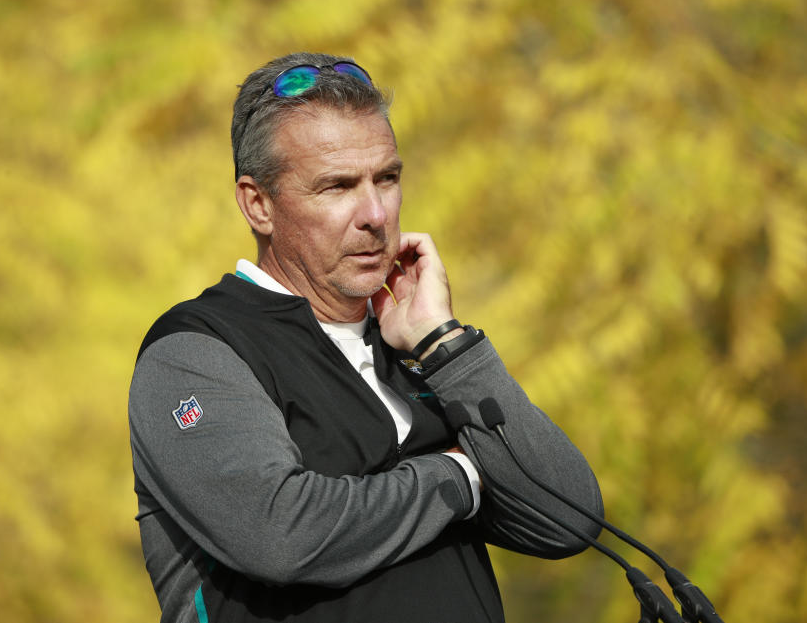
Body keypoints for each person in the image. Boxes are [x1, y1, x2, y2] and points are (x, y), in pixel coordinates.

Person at [128, 52, 604, 623]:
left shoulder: (413, 350)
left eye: (388, 178)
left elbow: (568, 516)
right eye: (337, 186)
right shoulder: (195, 352)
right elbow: (281, 533)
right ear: (259, 204)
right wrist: (459, 476)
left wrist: (445, 344)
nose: (376, 213)